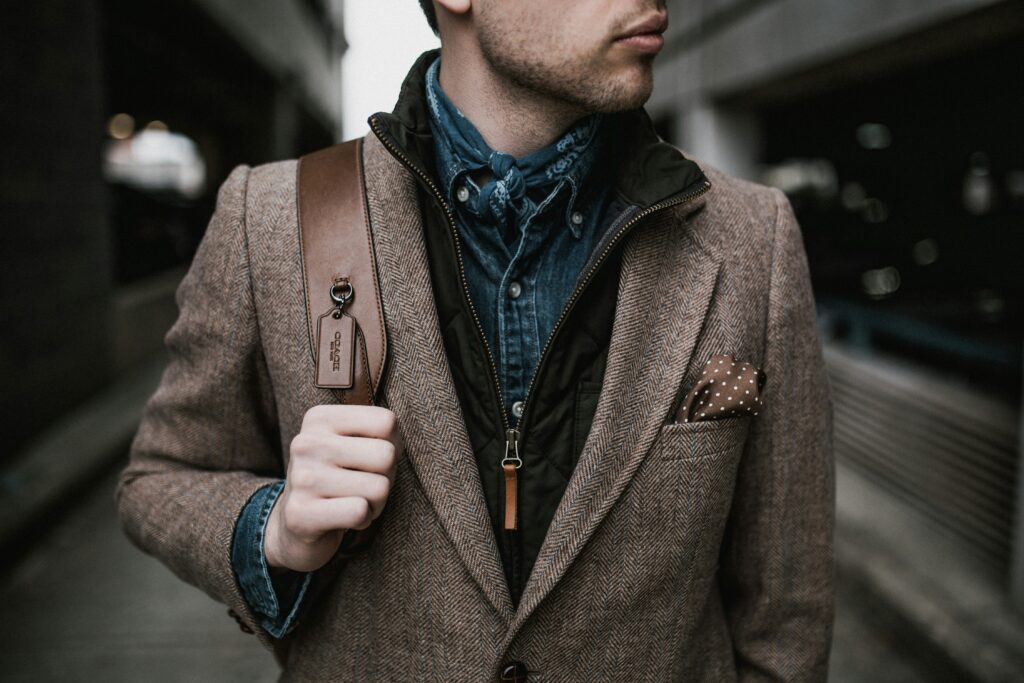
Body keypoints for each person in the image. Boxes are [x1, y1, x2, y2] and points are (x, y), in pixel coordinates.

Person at [116, 0, 835, 680]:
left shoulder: (753, 236)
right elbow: (161, 476)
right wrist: (272, 531)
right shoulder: (267, 216)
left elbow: (787, 609)